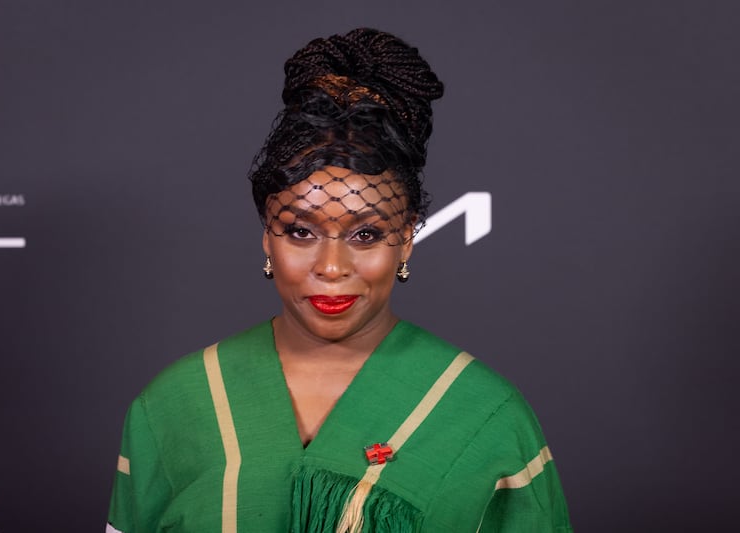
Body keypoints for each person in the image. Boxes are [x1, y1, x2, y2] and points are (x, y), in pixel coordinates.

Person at [106, 28, 572, 533]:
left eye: (367, 233)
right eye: (300, 230)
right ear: (268, 234)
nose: (331, 267)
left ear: (408, 238)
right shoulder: (177, 403)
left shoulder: (484, 414)